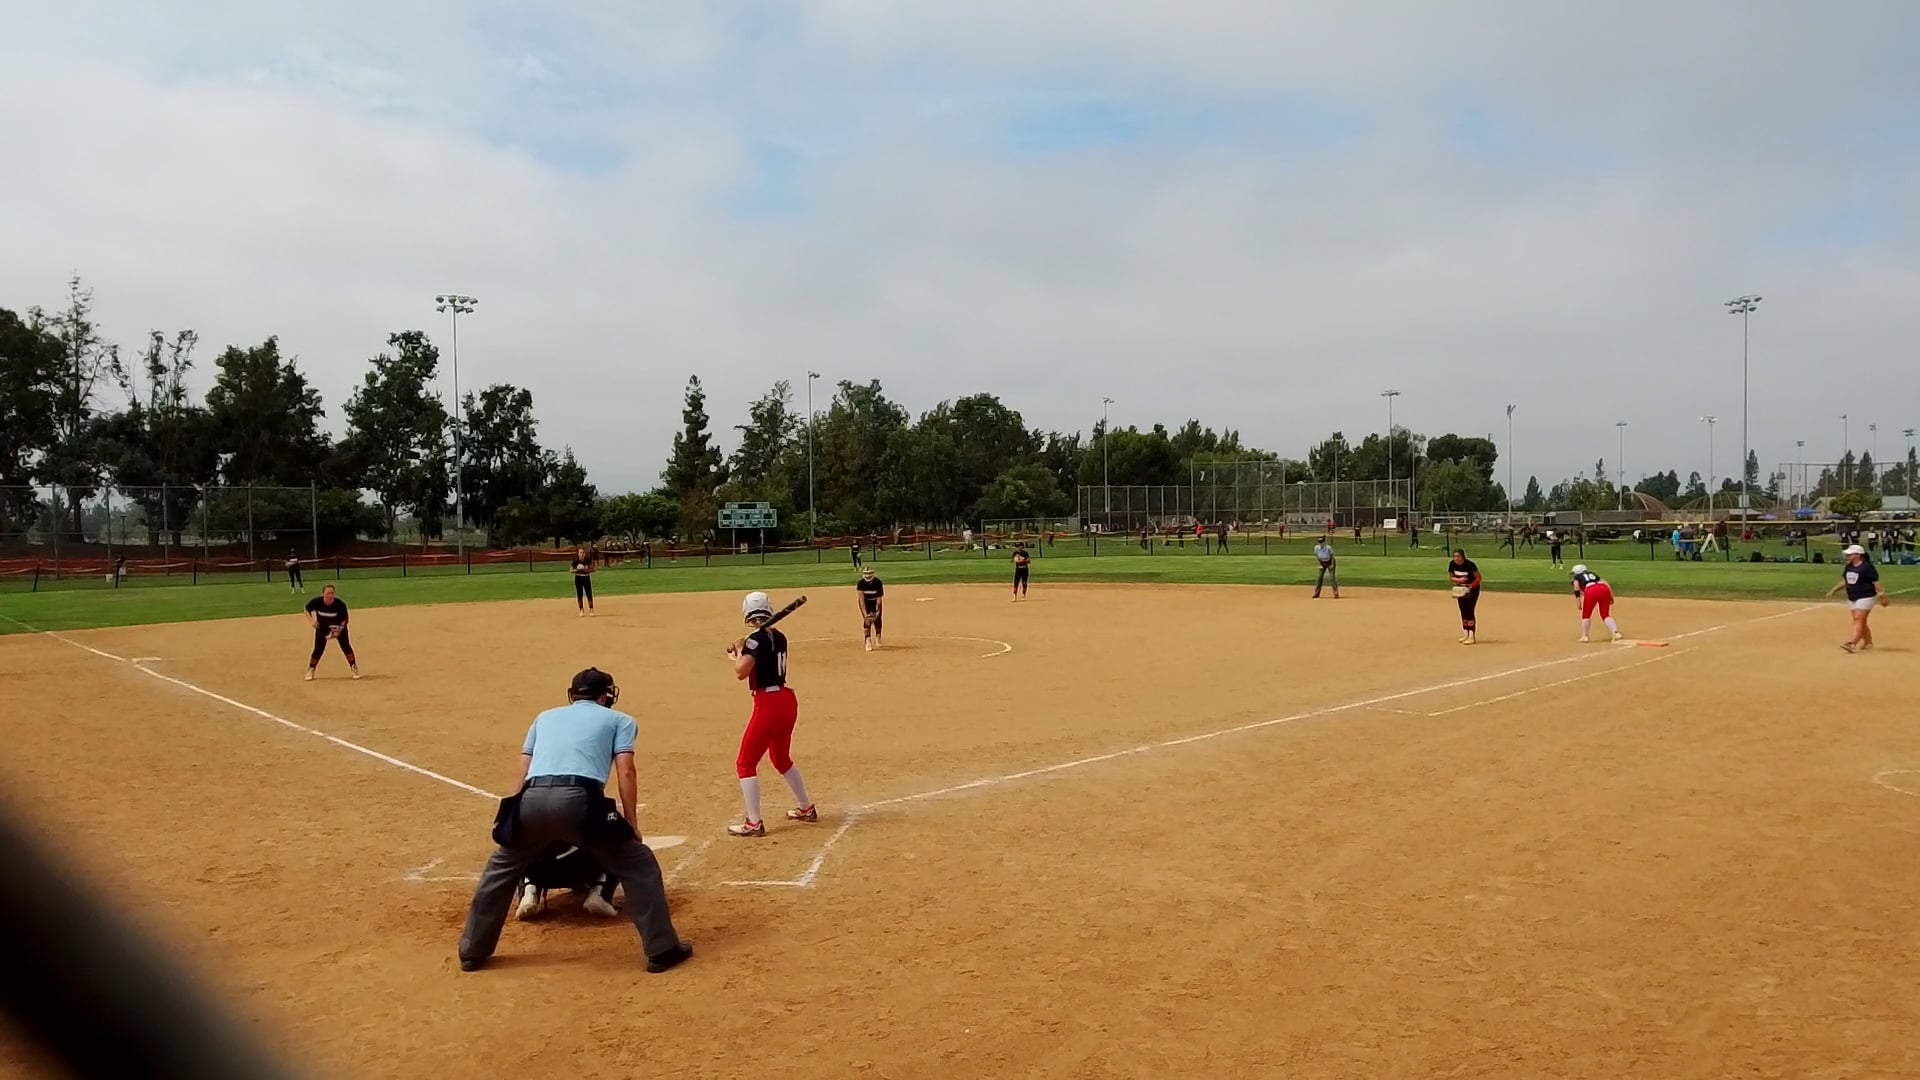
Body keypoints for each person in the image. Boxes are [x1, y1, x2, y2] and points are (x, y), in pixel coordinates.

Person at [456, 667, 690, 973]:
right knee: (639, 865)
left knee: (500, 870)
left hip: (531, 798)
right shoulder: (619, 720)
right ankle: (662, 948)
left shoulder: (544, 718)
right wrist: (631, 823)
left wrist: (513, 814)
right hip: (579, 799)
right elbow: (626, 771)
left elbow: (523, 770)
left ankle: (472, 951)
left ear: (572, 694)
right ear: (606, 696)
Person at [727, 592, 817, 837]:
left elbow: (741, 672)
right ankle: (805, 807)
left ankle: (753, 822)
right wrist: (742, 649)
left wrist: (739, 649)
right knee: (780, 758)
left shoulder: (755, 640)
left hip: (768, 703)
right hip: (786, 700)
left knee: (745, 763)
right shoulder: (779, 636)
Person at [514, 840, 619, 921]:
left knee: (521, 841)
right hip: (579, 869)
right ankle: (599, 893)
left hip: (539, 873)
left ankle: (529, 892)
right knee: (615, 836)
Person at [1825, 544, 1889, 653]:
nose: (1847, 556)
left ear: (1858, 555)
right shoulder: (1849, 566)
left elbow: (1876, 583)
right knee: (1859, 620)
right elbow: (1846, 581)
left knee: (1859, 619)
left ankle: (1852, 643)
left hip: (1866, 596)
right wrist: (1833, 590)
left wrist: (1882, 596)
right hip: (1852, 597)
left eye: (1850, 554)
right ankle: (1868, 642)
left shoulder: (1867, 567)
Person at [303, 585, 358, 681]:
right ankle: (311, 669)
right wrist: (312, 621)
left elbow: (345, 620)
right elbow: (306, 609)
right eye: (328, 593)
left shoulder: (340, 604)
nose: (330, 595)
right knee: (318, 649)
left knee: (346, 647)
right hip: (322, 628)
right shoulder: (317, 602)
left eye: (332, 593)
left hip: (338, 627)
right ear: (323, 594)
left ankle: (353, 667)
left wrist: (337, 631)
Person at [1570, 564, 1621, 643]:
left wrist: (1578, 601)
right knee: (1605, 615)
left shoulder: (1577, 577)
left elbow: (1576, 587)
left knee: (1586, 614)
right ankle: (1616, 633)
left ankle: (1585, 636)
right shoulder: (1593, 574)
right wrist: (1611, 597)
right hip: (1603, 589)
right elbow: (1606, 583)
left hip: (1591, 590)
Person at [1447, 549, 1481, 645]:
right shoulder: (1452, 564)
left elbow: (1478, 578)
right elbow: (1451, 577)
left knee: (1469, 611)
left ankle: (1471, 636)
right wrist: (1459, 580)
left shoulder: (1470, 565)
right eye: (1455, 556)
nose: (1456, 558)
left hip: (1472, 589)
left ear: (1463, 556)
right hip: (1460, 589)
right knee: (1463, 611)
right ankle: (1466, 634)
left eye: (1458, 556)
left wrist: (1469, 588)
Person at [855, 565, 884, 650]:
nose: (868, 575)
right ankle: (867, 640)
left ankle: (878, 635)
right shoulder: (861, 583)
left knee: (877, 620)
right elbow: (861, 599)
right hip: (865, 602)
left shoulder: (878, 582)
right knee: (867, 621)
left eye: (869, 573)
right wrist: (865, 615)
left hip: (875, 601)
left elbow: (879, 600)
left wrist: (877, 611)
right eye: (866, 573)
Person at [571, 547, 595, 617]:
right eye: (581, 552)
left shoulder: (588, 561)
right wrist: (578, 570)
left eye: (583, 553)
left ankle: (591, 609)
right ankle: (581, 610)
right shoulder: (575, 562)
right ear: (578, 554)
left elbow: (593, 569)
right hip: (578, 578)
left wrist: (586, 570)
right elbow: (571, 570)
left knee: (589, 593)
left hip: (586, 578)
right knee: (579, 594)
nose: (582, 554)